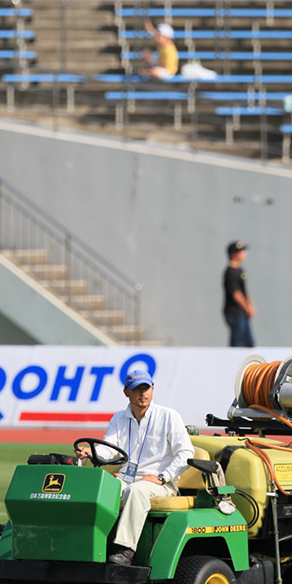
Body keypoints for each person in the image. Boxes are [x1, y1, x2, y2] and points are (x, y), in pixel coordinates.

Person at [75, 368, 194, 566]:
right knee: (97, 488)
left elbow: (186, 454)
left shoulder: (168, 416)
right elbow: (108, 449)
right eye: (137, 389)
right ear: (126, 392)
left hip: (161, 484)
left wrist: (163, 477)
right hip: (127, 480)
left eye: (146, 388)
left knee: (136, 490)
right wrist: (91, 452)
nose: (143, 393)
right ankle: (87, 544)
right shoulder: (119, 418)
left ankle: (126, 550)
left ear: (153, 389)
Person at [223, 241, 256, 347]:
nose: (244, 254)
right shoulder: (230, 272)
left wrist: (250, 306)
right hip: (235, 312)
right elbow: (236, 293)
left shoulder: (240, 270)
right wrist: (246, 307)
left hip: (242, 312)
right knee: (238, 343)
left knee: (248, 343)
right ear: (234, 255)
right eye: (241, 252)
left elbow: (244, 291)